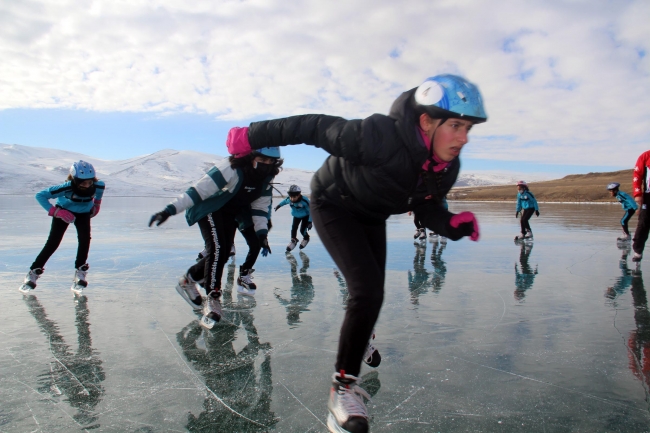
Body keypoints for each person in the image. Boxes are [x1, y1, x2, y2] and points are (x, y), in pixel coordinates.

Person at [225, 74, 486, 433]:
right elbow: (312, 127)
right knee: (367, 291)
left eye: (468, 128)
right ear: (426, 122)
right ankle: (343, 390)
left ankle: (360, 339)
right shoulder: (379, 137)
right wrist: (252, 136)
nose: (463, 137)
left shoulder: (446, 168)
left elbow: (426, 206)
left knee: (370, 297)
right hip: (333, 204)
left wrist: (451, 225)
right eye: (455, 125)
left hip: (371, 216)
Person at [148, 147, 281, 329]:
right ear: (251, 156)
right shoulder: (231, 168)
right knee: (218, 249)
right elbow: (198, 191)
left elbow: (260, 207)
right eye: (262, 160)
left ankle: (188, 279)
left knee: (225, 252)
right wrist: (169, 210)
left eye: (270, 162)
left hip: (230, 214)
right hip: (209, 208)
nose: (266, 165)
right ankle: (213, 297)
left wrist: (262, 234)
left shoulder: (266, 178)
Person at [18, 161, 105, 295]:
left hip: (83, 214)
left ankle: (80, 271)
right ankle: (34, 272)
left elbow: (98, 195)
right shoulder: (66, 188)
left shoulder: (98, 186)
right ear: (74, 180)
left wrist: (96, 205)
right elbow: (40, 195)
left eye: (89, 182)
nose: (86, 185)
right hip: (63, 212)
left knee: (85, 239)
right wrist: (56, 212)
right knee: (53, 242)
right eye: (82, 182)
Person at [274, 185, 313, 251]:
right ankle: (293, 240)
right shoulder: (289, 199)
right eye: (291, 197)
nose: (292, 199)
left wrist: (310, 221)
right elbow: (284, 201)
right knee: (293, 229)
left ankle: (306, 238)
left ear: (299, 195)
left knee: (302, 230)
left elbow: (311, 210)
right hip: (296, 216)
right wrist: (278, 206)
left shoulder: (304, 201)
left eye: (294, 197)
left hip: (305, 216)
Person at [632, 151, 650, 262]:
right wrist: (638, 194)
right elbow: (637, 175)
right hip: (649, 196)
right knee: (643, 222)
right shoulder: (645, 156)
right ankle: (638, 251)